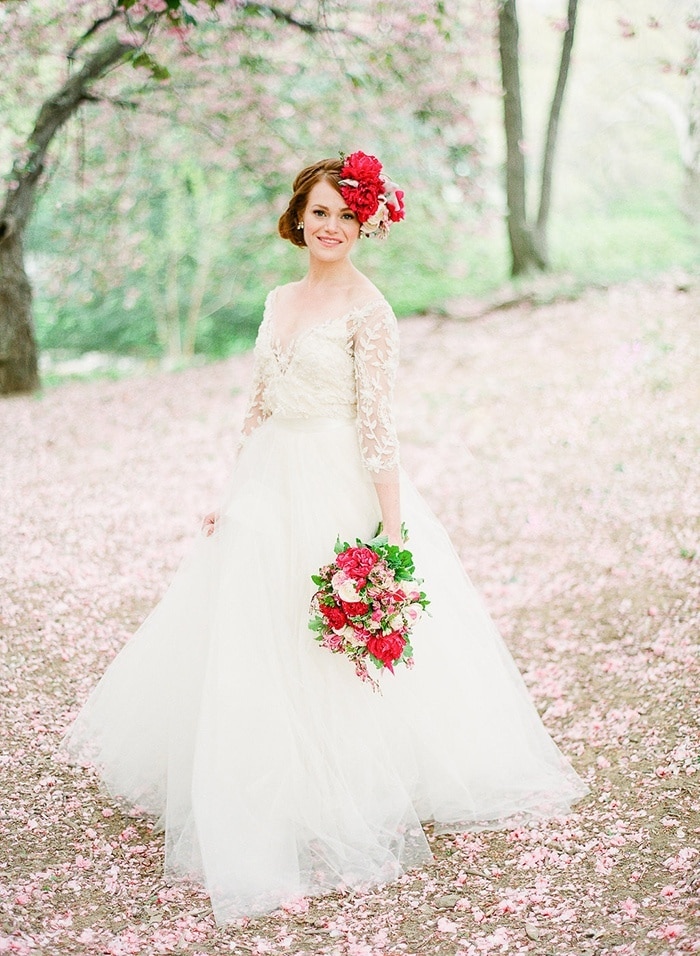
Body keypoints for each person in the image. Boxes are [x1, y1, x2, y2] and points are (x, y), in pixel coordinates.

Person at [61, 152, 588, 924]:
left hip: (335, 479)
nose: (330, 226)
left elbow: (379, 426)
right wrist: (229, 491)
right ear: (297, 219)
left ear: (364, 222)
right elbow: (258, 403)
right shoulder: (280, 299)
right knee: (255, 629)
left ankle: (342, 789)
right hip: (269, 480)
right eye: (318, 212)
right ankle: (258, 777)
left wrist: (391, 533)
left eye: (344, 214)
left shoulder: (371, 312)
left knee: (329, 644)